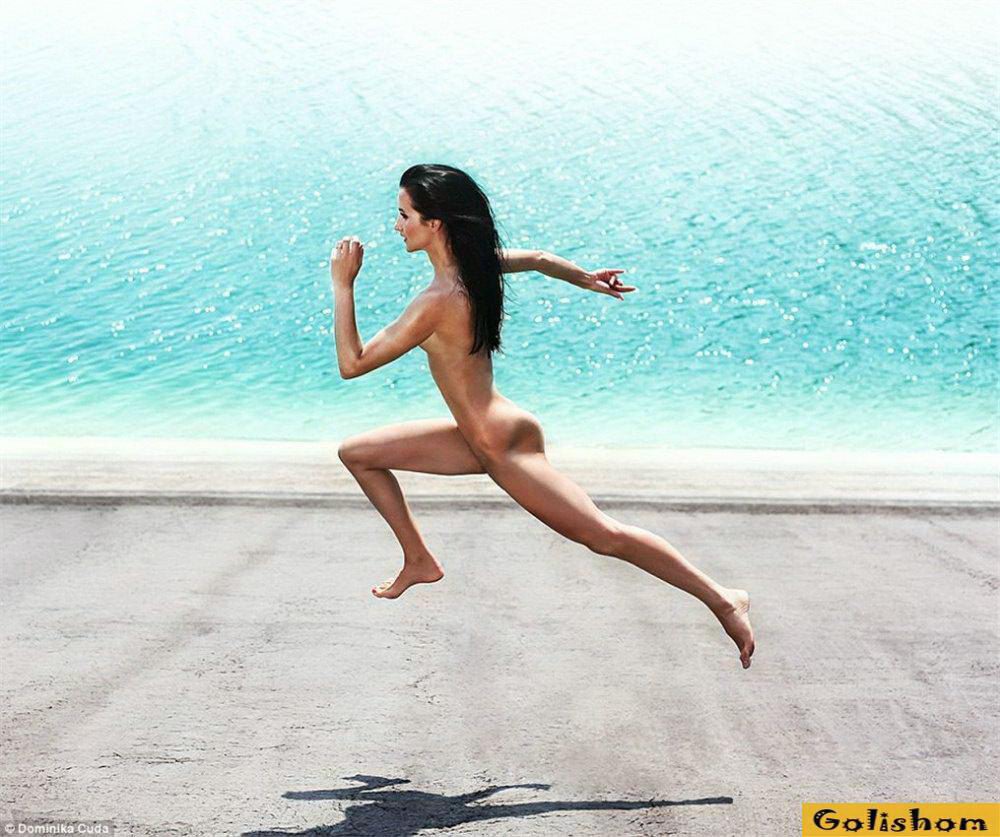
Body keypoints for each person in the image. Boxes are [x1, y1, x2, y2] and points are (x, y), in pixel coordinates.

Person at [330, 163, 755, 668]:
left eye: (404, 215)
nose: (396, 225)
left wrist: (343, 285)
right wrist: (586, 279)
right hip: (481, 432)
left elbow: (352, 364)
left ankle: (723, 599)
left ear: (434, 223)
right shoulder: (475, 268)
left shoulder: (438, 301)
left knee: (603, 535)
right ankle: (419, 559)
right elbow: (537, 259)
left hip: (499, 444)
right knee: (358, 453)